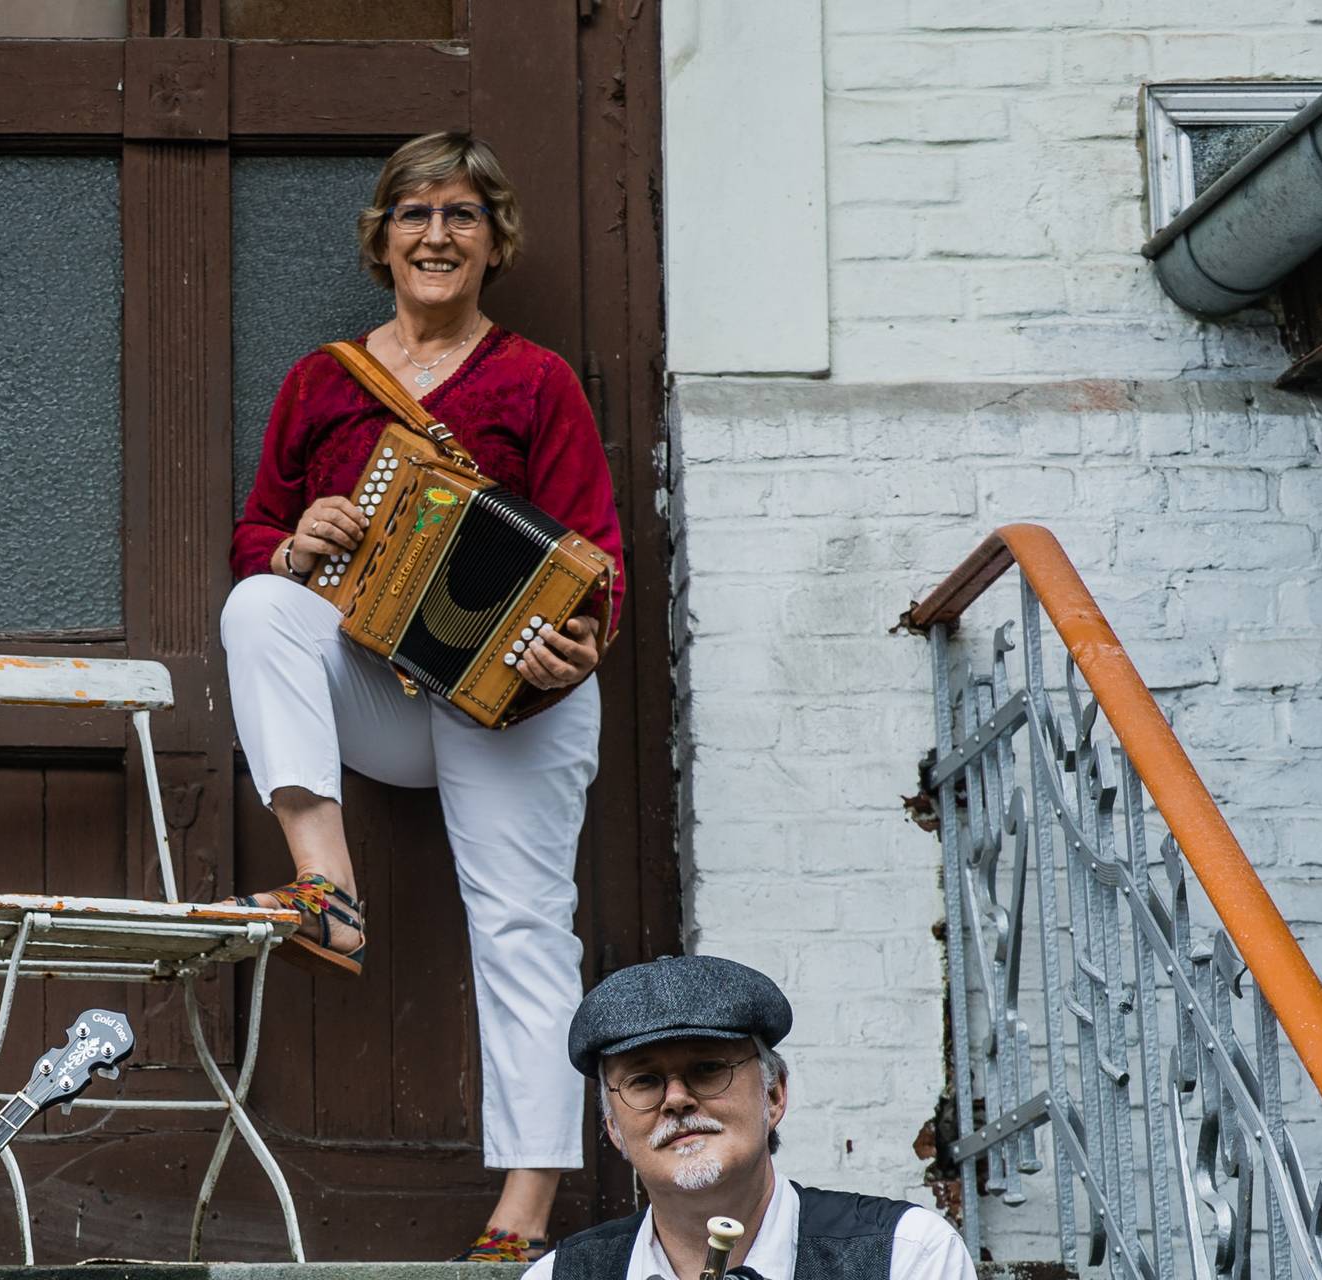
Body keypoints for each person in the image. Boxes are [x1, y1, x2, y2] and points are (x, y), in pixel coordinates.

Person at [218, 130, 627, 1260]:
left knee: (523, 927)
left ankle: (522, 1217)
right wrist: (294, 542)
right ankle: (327, 887)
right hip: (383, 692)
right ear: (383, 239)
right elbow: (256, 533)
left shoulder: (535, 380)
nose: (436, 235)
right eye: (415, 214)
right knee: (257, 607)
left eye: (461, 215)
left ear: (494, 241)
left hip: (513, 699)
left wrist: (579, 643)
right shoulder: (322, 380)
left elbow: (596, 550)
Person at [525, 955, 977, 1280]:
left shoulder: (907, 1254)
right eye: (643, 1081)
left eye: (708, 1069)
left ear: (773, 1095)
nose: (677, 1100)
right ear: (613, 1128)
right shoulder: (556, 1276)